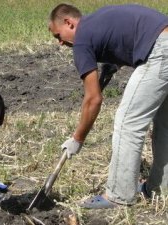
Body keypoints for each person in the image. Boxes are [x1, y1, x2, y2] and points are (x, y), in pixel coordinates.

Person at [49, 3, 168, 208]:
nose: (60, 43)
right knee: (165, 125)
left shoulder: (81, 40)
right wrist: (114, 63)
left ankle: (119, 195)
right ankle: (160, 188)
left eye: (58, 35)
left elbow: (93, 99)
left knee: (127, 123)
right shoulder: (97, 21)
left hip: (160, 50)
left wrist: (77, 139)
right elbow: (126, 34)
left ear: (69, 23)